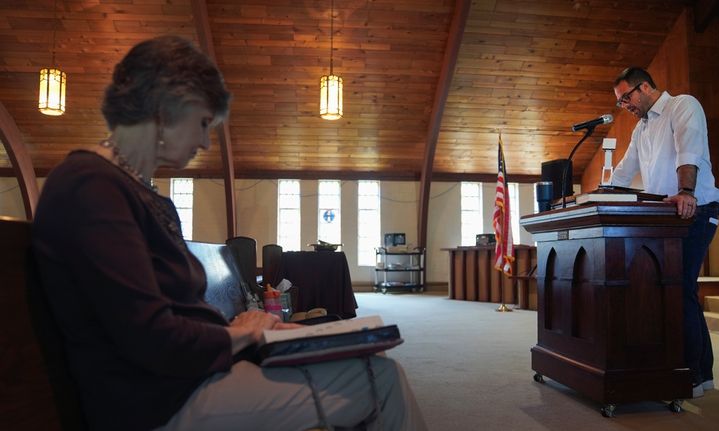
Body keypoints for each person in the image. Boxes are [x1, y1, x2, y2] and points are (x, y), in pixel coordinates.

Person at [32, 35, 426, 431]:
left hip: (184, 377)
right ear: (164, 107)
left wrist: (259, 335)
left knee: (360, 361)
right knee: (380, 381)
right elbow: (150, 339)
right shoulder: (89, 186)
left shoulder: (132, 189)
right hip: (154, 400)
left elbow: (174, 312)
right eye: (203, 123)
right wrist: (241, 335)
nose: (205, 141)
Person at [611, 67, 719, 399]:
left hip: (695, 210)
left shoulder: (682, 106)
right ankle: (700, 372)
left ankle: (691, 373)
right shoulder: (641, 128)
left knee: (678, 291)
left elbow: (690, 151)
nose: (624, 106)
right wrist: (592, 198)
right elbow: (625, 170)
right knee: (676, 292)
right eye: (620, 102)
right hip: (663, 217)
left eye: (626, 98)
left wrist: (686, 191)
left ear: (644, 87)